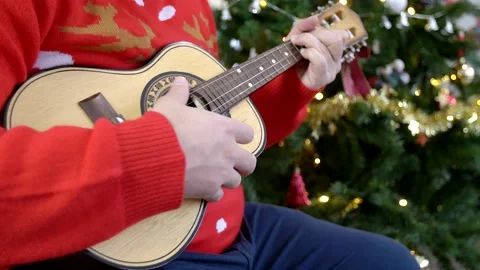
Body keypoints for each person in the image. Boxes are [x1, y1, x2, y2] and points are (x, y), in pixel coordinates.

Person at [0, 1, 420, 269]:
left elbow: (213, 131)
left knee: (389, 261)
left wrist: (293, 83)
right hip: (117, 247)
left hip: (224, 227)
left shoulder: (191, 5)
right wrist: (159, 155)